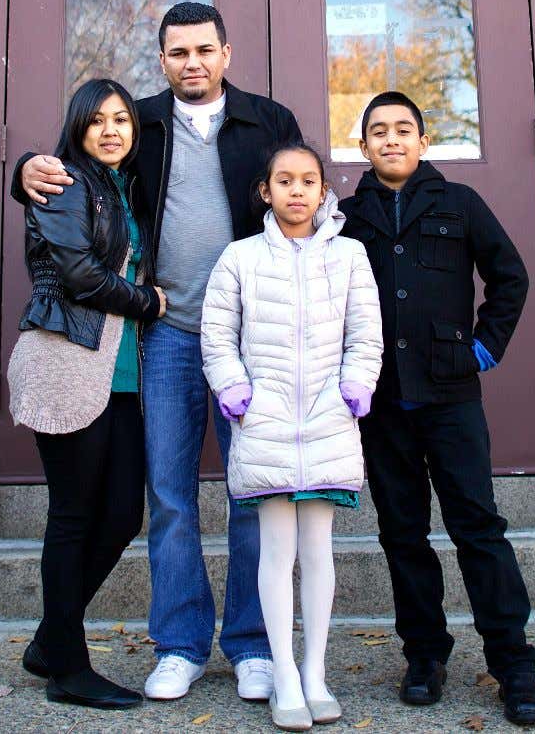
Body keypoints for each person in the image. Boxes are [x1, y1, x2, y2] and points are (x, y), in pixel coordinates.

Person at [17, 3, 303, 701]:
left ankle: (252, 646)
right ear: (163, 59)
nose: (192, 62)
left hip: (250, 337)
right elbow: (77, 165)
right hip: (167, 336)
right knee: (169, 495)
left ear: (227, 53)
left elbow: (305, 190)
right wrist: (24, 166)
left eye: (204, 49)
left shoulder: (270, 122)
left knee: (252, 494)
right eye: (178, 52)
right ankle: (179, 644)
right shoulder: (138, 120)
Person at [339, 91, 535, 726]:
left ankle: (513, 664)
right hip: (382, 404)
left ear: (423, 142)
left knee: (478, 528)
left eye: (404, 129)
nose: (392, 140)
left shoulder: (458, 203)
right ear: (365, 146)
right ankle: (425, 657)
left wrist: (484, 348)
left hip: (451, 396)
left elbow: (510, 275)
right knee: (402, 533)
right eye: (378, 131)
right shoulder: (348, 217)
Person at [200, 145, 382, 731]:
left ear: (323, 189)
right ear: (266, 191)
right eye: (284, 181)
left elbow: (366, 331)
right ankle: (282, 675)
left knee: (319, 551)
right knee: (275, 552)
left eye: (308, 181)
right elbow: (218, 334)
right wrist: (233, 387)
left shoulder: (350, 256)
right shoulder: (240, 259)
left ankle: (315, 672)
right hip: (268, 422)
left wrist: (357, 382)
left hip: (328, 420)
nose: (296, 191)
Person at [5, 79, 167, 710]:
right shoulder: (65, 182)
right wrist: (147, 302)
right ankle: (69, 668)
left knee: (123, 512)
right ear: (76, 128)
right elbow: (77, 274)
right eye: (96, 120)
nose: (110, 130)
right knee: (73, 516)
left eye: (121, 119)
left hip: (118, 373)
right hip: (67, 362)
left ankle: (50, 640)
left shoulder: (123, 189)